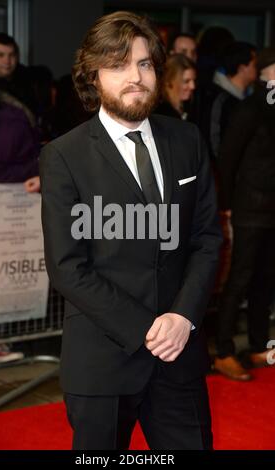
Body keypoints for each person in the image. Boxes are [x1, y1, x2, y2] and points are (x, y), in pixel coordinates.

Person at [39, 11, 222, 450]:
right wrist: (147, 328)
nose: (135, 77)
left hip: (180, 357)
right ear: (92, 77)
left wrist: (182, 318)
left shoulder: (187, 140)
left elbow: (207, 239)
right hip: (104, 360)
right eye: (118, 65)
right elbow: (67, 267)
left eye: (144, 64)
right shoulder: (64, 156)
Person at [214, 48, 275, 381]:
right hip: (249, 207)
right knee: (240, 278)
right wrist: (225, 204)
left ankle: (256, 344)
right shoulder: (250, 108)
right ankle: (223, 350)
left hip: (270, 210)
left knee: (265, 281)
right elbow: (228, 158)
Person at [156, 53, 196, 120]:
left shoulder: (190, 106)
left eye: (194, 80)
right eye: (186, 81)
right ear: (169, 81)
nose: (193, 86)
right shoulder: (160, 113)